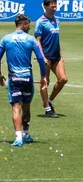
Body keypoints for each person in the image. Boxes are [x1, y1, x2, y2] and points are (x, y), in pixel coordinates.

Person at [0, 15, 47, 147]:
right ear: (24, 24)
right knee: (26, 107)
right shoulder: (31, 39)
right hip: (27, 78)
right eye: (28, 24)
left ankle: (18, 138)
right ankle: (26, 134)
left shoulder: (6, 39)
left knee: (16, 107)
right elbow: (40, 59)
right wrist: (44, 76)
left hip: (14, 78)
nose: (30, 27)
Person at [34, 0, 68, 118]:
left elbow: (56, 39)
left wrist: (61, 54)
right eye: (52, 6)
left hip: (56, 56)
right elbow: (37, 40)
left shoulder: (56, 20)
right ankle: (48, 109)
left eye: (55, 6)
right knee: (45, 82)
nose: (54, 8)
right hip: (46, 56)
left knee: (63, 79)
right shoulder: (40, 22)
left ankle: (50, 101)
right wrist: (42, 57)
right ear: (45, 6)